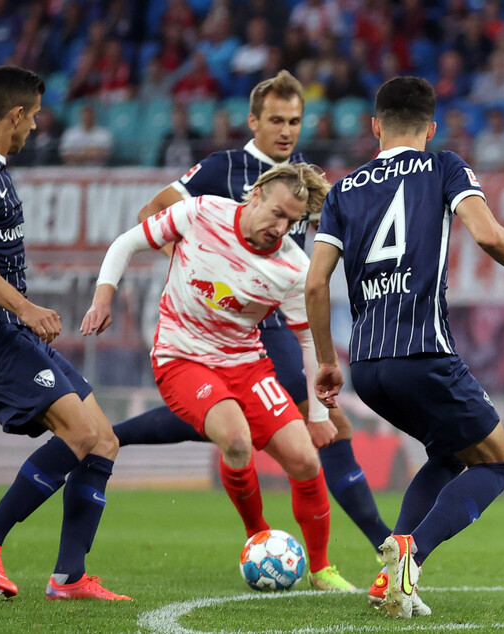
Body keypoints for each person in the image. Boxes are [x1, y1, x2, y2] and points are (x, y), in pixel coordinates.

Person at [111, 71, 393, 591]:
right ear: (254, 121)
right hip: (221, 327)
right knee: (231, 425)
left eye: (295, 121)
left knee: (316, 430)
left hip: (275, 325)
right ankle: (374, 541)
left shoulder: (305, 183)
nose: (287, 131)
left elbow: (313, 265)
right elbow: (152, 213)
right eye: (277, 121)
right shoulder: (225, 168)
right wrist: (208, 280)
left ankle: (344, 556)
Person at [305, 76, 504, 619]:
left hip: (368, 368)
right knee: (498, 465)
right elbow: (489, 234)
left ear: (375, 125)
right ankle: (411, 552)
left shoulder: (342, 190)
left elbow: (314, 284)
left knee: (449, 455)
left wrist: (328, 361)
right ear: (431, 127)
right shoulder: (444, 166)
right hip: (423, 355)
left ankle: (388, 580)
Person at [83, 163, 353, 592]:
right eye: (277, 214)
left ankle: (321, 569)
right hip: (181, 358)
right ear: (256, 194)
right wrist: (103, 298)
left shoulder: (293, 267)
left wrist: (318, 415)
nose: (280, 228)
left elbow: (307, 344)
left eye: (292, 222)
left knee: (304, 459)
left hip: (247, 364)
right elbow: (127, 243)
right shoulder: (200, 213)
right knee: (236, 439)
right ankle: (258, 539)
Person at [0, 65, 129, 601]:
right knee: (79, 433)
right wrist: (24, 307)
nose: (37, 129)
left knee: (104, 440)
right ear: (16, 114)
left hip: (11, 333)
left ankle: (69, 578)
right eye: (35, 118)